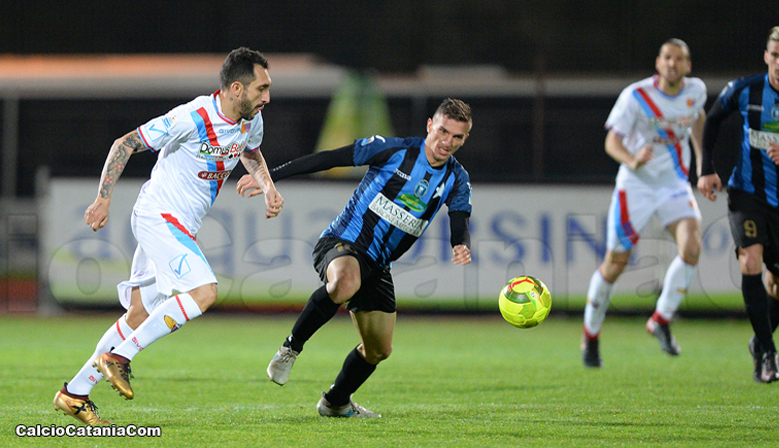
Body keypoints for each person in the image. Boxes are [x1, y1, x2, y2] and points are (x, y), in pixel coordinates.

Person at [53, 47, 284, 425]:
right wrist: (103, 199)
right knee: (205, 291)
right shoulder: (191, 117)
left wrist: (268, 186)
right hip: (158, 217)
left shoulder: (251, 119)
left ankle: (74, 394)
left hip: (178, 225)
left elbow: (251, 153)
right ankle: (120, 356)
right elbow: (125, 143)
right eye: (262, 88)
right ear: (236, 88)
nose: (267, 97)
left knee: (139, 314)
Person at [237, 98, 473, 417]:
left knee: (378, 350)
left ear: (464, 139)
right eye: (443, 131)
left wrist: (460, 243)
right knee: (345, 281)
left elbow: (459, 216)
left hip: (378, 266)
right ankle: (290, 349)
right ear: (430, 125)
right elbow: (328, 158)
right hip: (342, 242)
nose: (447, 141)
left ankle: (335, 402)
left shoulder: (457, 178)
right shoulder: (392, 150)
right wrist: (270, 177)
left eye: (457, 137)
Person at [582, 39, 707, 368]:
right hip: (635, 186)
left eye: (679, 59)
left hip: (674, 184)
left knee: (692, 247)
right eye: (667, 57)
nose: (672, 63)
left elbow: (697, 116)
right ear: (658, 63)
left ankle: (661, 319)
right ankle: (590, 335)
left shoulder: (696, 91)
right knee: (615, 263)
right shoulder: (636, 96)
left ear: (687, 65)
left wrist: (702, 162)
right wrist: (633, 160)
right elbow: (612, 141)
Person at [698, 25, 779, 384]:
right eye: (775, 55)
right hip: (747, 193)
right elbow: (712, 121)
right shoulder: (745, 89)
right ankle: (769, 353)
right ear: (766, 56)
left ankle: (760, 341)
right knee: (750, 260)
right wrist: (707, 169)